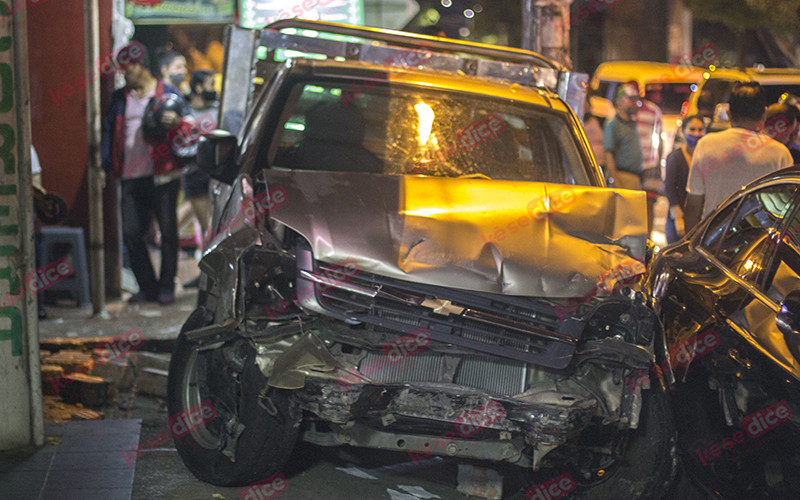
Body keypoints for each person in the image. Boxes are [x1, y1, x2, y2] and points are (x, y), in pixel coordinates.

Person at [101, 42, 187, 305]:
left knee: (168, 233)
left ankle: (166, 287)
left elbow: (188, 130)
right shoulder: (120, 98)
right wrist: (105, 167)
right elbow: (107, 134)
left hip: (162, 175)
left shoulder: (167, 94)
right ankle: (147, 286)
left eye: (127, 70)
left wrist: (178, 124)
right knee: (131, 233)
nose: (123, 76)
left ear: (139, 67)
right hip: (129, 176)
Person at [685, 82, 793, 230]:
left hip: (712, 244)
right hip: (760, 246)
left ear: (729, 113)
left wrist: (690, 245)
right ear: (764, 114)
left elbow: (693, 205)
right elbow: (787, 212)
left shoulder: (706, 144)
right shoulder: (781, 154)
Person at [181, 70, 218, 288]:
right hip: (194, 173)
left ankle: (212, 274)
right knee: (206, 227)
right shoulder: (186, 113)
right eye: (211, 83)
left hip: (216, 173)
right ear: (198, 88)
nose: (214, 88)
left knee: (216, 226)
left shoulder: (219, 110)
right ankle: (205, 274)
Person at [664, 114, 705, 243]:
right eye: (692, 129)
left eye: (700, 129)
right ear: (683, 131)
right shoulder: (675, 157)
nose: (696, 133)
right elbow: (670, 187)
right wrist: (678, 218)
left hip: (698, 220)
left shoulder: (706, 158)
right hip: (677, 222)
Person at [603, 82, 643, 190]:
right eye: (631, 100)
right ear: (619, 101)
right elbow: (608, 154)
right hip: (622, 177)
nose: (635, 104)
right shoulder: (613, 124)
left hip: (634, 178)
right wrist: (617, 181)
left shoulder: (632, 123)